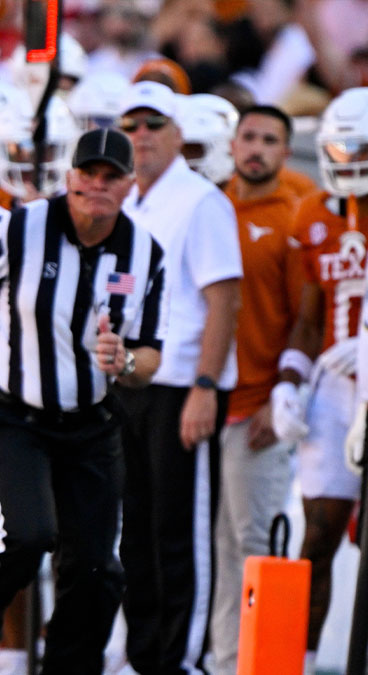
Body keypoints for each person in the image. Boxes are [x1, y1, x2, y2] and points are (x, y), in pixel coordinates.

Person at [0, 128, 165, 673]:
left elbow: (150, 356)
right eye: (87, 173)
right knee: (29, 536)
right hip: (13, 411)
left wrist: (127, 364)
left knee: (97, 567)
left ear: (130, 185)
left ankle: (70, 666)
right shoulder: (18, 228)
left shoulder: (144, 253)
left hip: (91, 422)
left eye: (111, 176)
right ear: (69, 178)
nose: (98, 185)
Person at [115, 81, 242, 675]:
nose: (142, 137)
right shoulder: (128, 201)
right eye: (133, 126)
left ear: (178, 135)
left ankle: (180, 657)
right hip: (131, 381)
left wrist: (207, 387)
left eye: (153, 125)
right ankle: (144, 654)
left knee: (179, 528)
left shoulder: (199, 200)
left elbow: (223, 300)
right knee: (135, 529)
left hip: (182, 382)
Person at [273, 87, 368, 669]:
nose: (346, 160)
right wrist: (290, 378)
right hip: (335, 385)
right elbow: (309, 317)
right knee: (316, 536)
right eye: (337, 147)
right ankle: (301, 662)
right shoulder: (312, 214)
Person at [208, 105, 303, 675]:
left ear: (286, 153)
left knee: (253, 545)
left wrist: (282, 395)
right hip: (205, 405)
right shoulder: (209, 206)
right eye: (249, 137)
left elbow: (303, 317)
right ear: (232, 142)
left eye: (270, 139)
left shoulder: (293, 216)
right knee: (215, 550)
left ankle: (259, 665)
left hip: (256, 408)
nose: (257, 148)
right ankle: (223, 661)